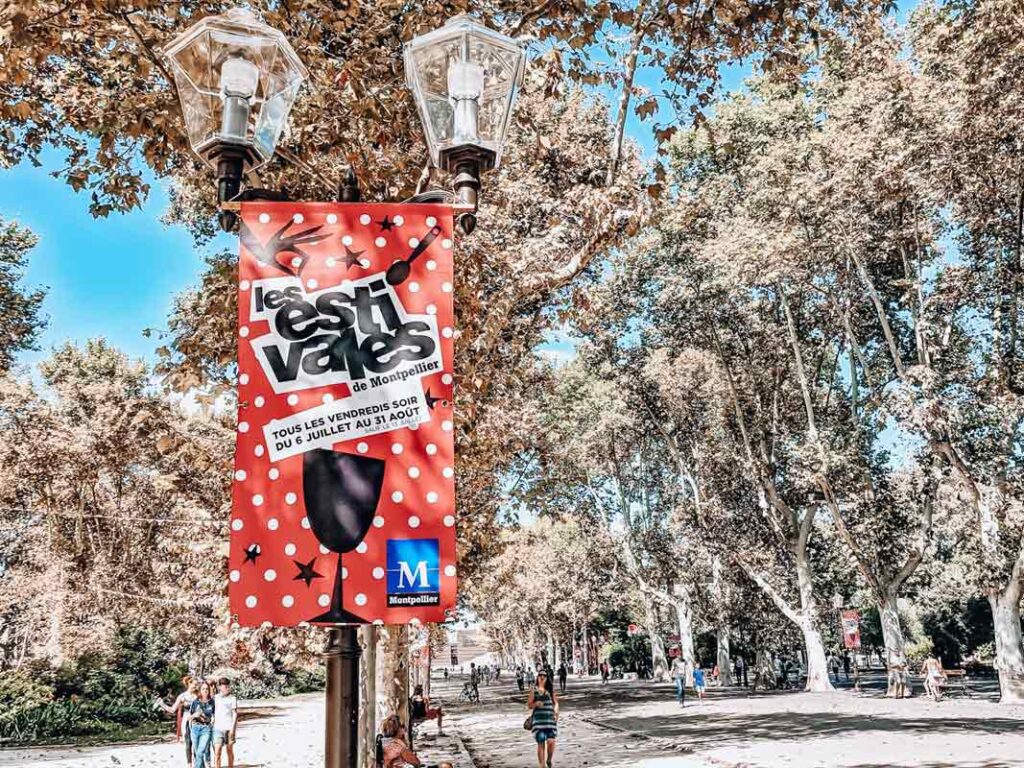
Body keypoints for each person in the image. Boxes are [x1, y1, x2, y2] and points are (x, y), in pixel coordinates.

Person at [156, 677, 198, 768]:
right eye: (194, 684)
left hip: (197, 720)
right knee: (188, 742)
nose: (196, 686)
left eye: (196, 684)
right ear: (189, 684)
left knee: (197, 743)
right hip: (187, 720)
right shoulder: (183, 696)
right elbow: (172, 710)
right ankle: (189, 765)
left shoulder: (198, 696)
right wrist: (162, 704)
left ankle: (197, 764)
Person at [527, 671, 559, 768]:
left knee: (551, 742)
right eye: (540, 675)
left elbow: (556, 703)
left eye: (544, 675)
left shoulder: (550, 690)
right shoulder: (534, 690)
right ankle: (542, 765)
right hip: (538, 722)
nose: (542, 677)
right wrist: (536, 704)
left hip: (550, 721)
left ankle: (549, 759)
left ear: (547, 678)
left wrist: (556, 713)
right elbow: (529, 705)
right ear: (537, 677)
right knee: (541, 743)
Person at [188, 681, 216, 768]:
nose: (205, 690)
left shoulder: (212, 702)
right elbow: (189, 717)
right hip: (195, 728)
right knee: (197, 753)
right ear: (200, 690)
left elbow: (214, 716)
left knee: (200, 752)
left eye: (207, 689)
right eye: (203, 689)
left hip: (206, 729)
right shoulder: (195, 702)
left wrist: (211, 723)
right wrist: (195, 715)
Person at [212, 678, 238, 768]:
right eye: (224, 686)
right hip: (217, 728)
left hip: (229, 727)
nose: (226, 687)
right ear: (219, 687)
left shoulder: (232, 698)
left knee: (229, 750)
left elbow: (234, 714)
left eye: (227, 685)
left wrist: (233, 729)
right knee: (217, 751)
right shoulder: (215, 698)